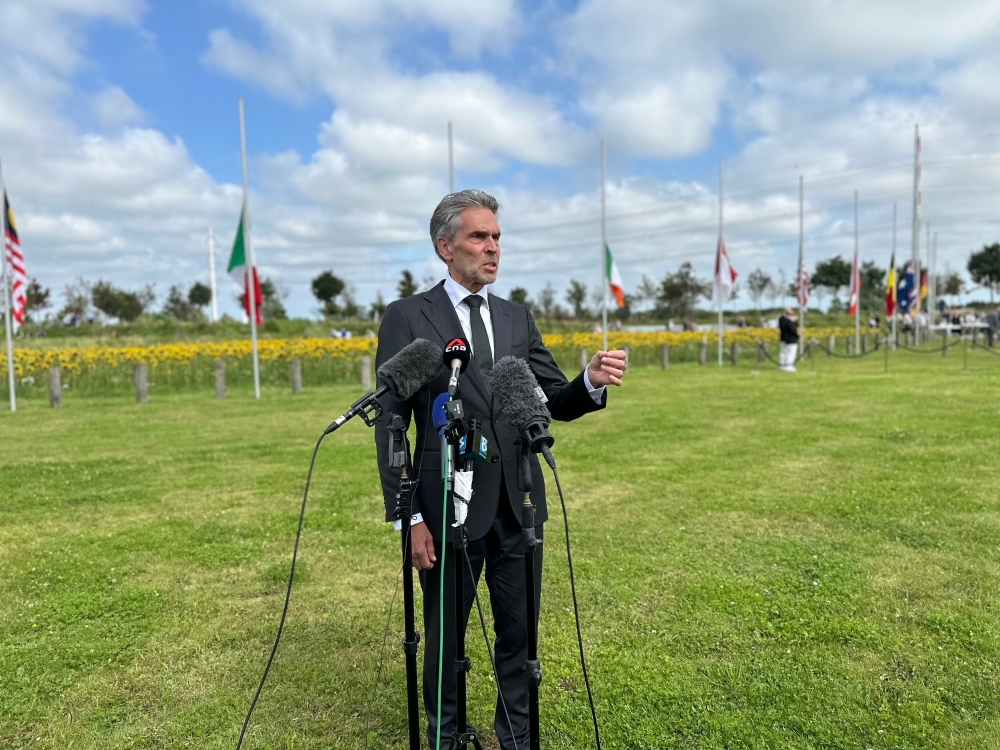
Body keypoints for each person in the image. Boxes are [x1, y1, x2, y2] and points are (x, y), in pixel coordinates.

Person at [373, 190, 628, 749]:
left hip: (520, 502)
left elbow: (551, 397)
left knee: (520, 635)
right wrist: (408, 517)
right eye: (478, 237)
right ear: (445, 247)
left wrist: (587, 381)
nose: (492, 249)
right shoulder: (407, 317)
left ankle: (515, 738)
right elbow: (391, 424)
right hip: (447, 508)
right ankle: (444, 735)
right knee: (444, 639)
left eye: (496, 238)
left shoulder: (516, 318)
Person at [778, 307, 799, 372]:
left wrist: (794, 321)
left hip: (787, 338)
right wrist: (797, 336)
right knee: (789, 352)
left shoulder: (789, 319)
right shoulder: (783, 319)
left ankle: (786, 365)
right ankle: (787, 366)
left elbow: (796, 326)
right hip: (788, 338)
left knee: (787, 352)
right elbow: (792, 329)